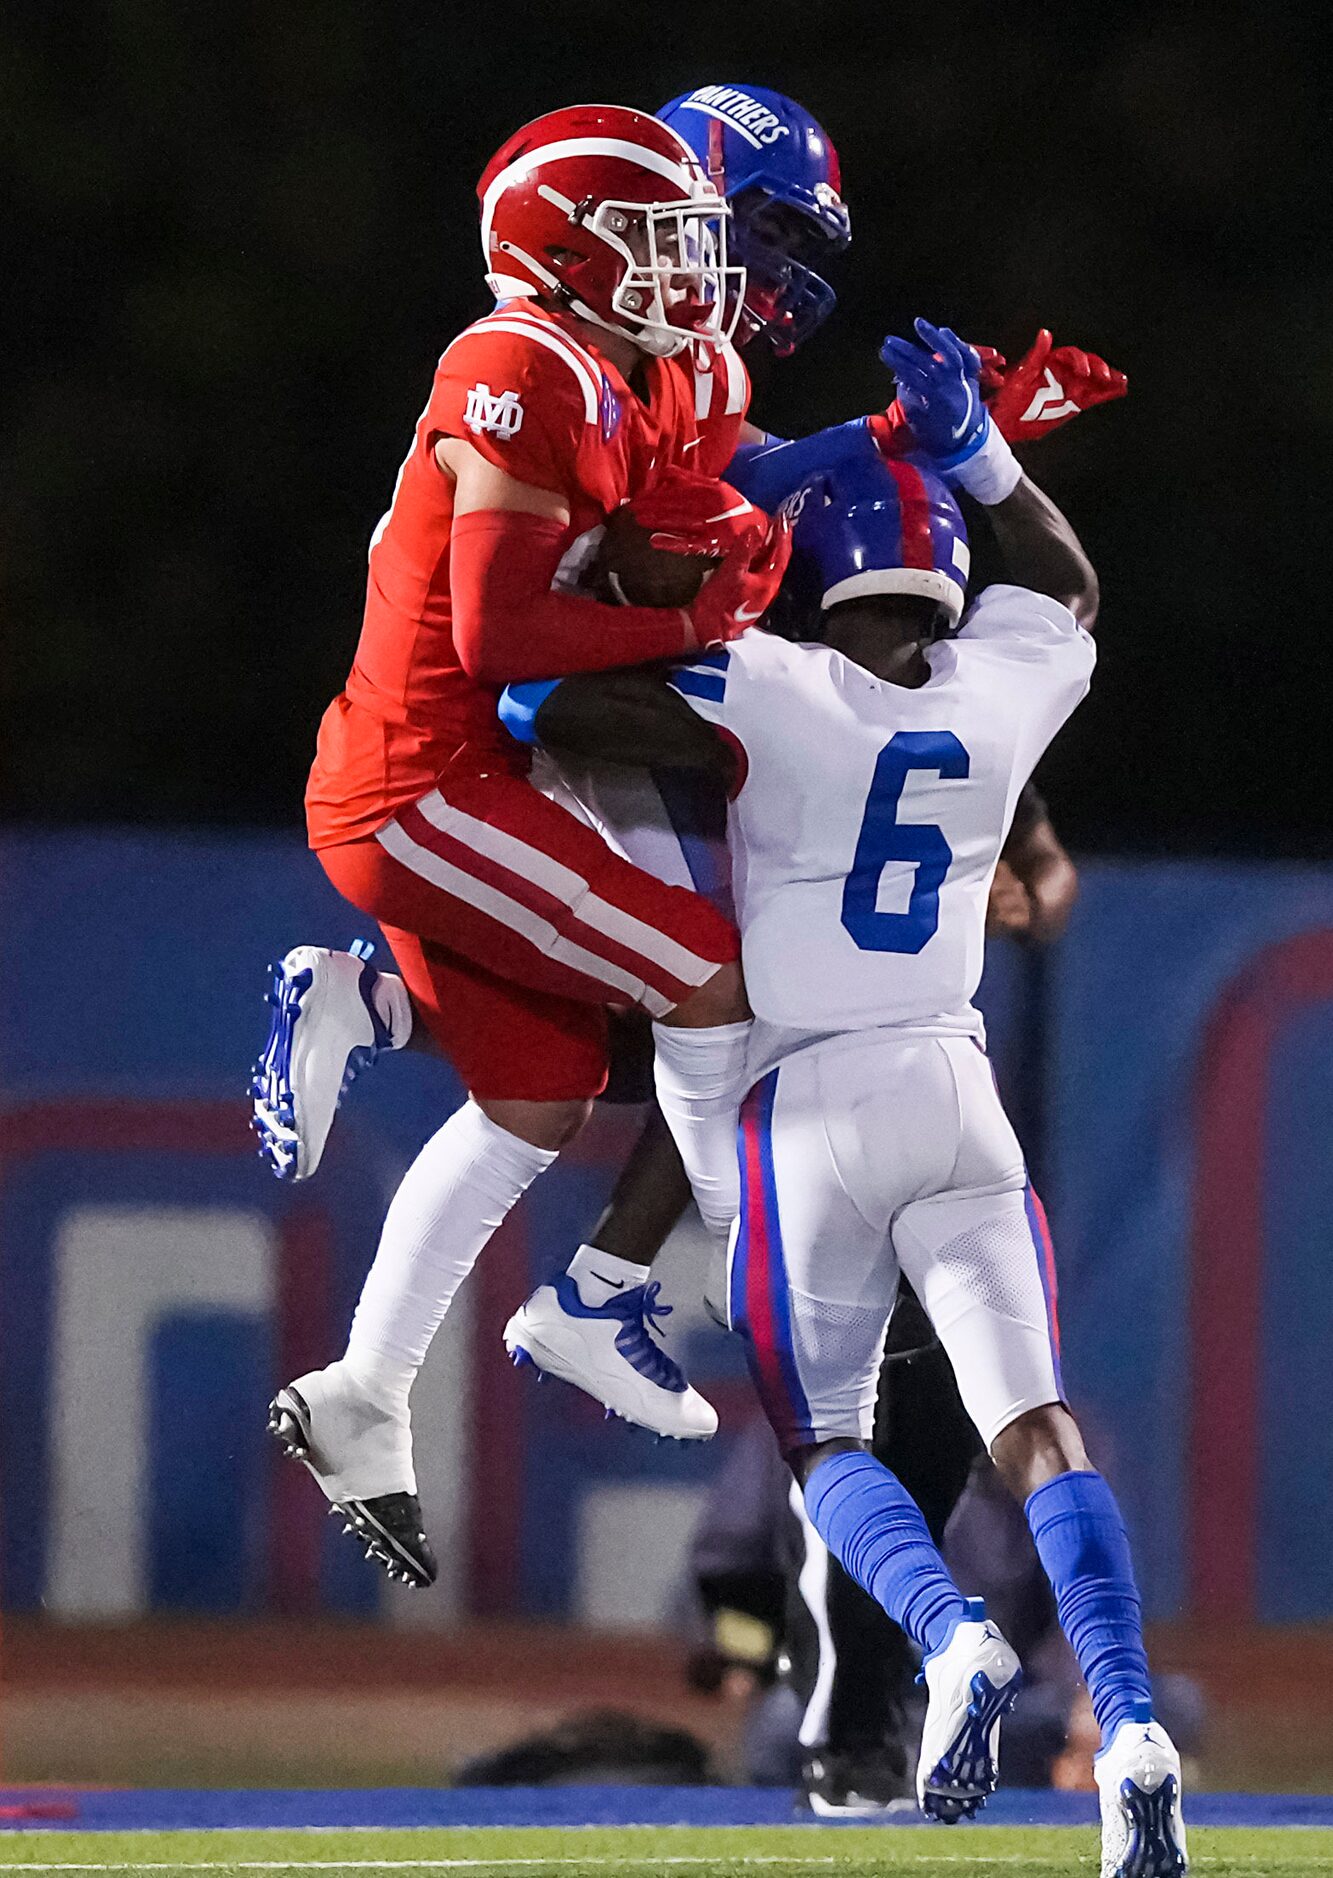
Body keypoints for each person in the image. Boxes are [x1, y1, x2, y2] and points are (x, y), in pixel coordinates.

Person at [498, 325, 1188, 1873]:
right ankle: (1130, 1720)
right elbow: (1065, 587)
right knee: (1041, 1426)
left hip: (805, 1103)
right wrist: (983, 459)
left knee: (821, 1439)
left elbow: (552, 701)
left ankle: (947, 1643)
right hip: (956, 1085)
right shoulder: (1006, 689)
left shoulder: (778, 681)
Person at [502, 83, 1125, 1438]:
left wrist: (1011, 822)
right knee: (735, 986)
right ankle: (619, 1273)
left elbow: (889, 698)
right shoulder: (576, 361)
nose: (781, 275)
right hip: (534, 715)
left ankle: (647, 1276)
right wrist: (914, 465)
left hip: (626, 715)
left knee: (744, 993)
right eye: (767, 231)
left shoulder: (691, 381)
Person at [253, 103, 797, 1588]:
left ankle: (363, 1395)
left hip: (451, 772)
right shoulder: (518, 361)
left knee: (541, 1098)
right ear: (559, 249)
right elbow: (497, 631)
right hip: (424, 787)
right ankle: (678, 1278)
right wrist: (693, 614)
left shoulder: (623, 370)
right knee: (708, 977)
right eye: (657, 240)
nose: (692, 268)